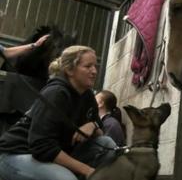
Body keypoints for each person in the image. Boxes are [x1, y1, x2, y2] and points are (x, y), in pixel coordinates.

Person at [0, 45, 117, 180]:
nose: (94, 71)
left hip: (52, 152)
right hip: (16, 154)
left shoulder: (87, 95)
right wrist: (87, 170)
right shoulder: (56, 93)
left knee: (106, 143)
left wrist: (93, 125)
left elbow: (98, 125)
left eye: (95, 66)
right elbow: (41, 146)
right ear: (69, 70)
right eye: (88, 66)